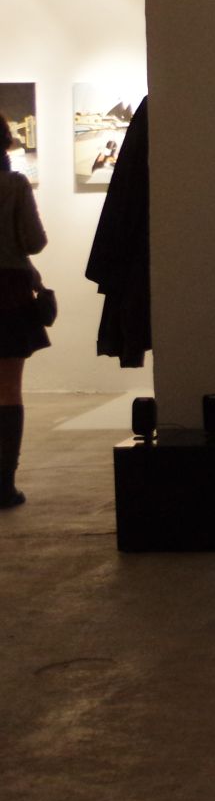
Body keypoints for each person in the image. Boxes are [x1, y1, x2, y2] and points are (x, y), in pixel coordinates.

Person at [0, 112, 49, 509]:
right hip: (8, 295)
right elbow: (33, 241)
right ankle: (3, 484)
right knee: (8, 390)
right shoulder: (14, 185)